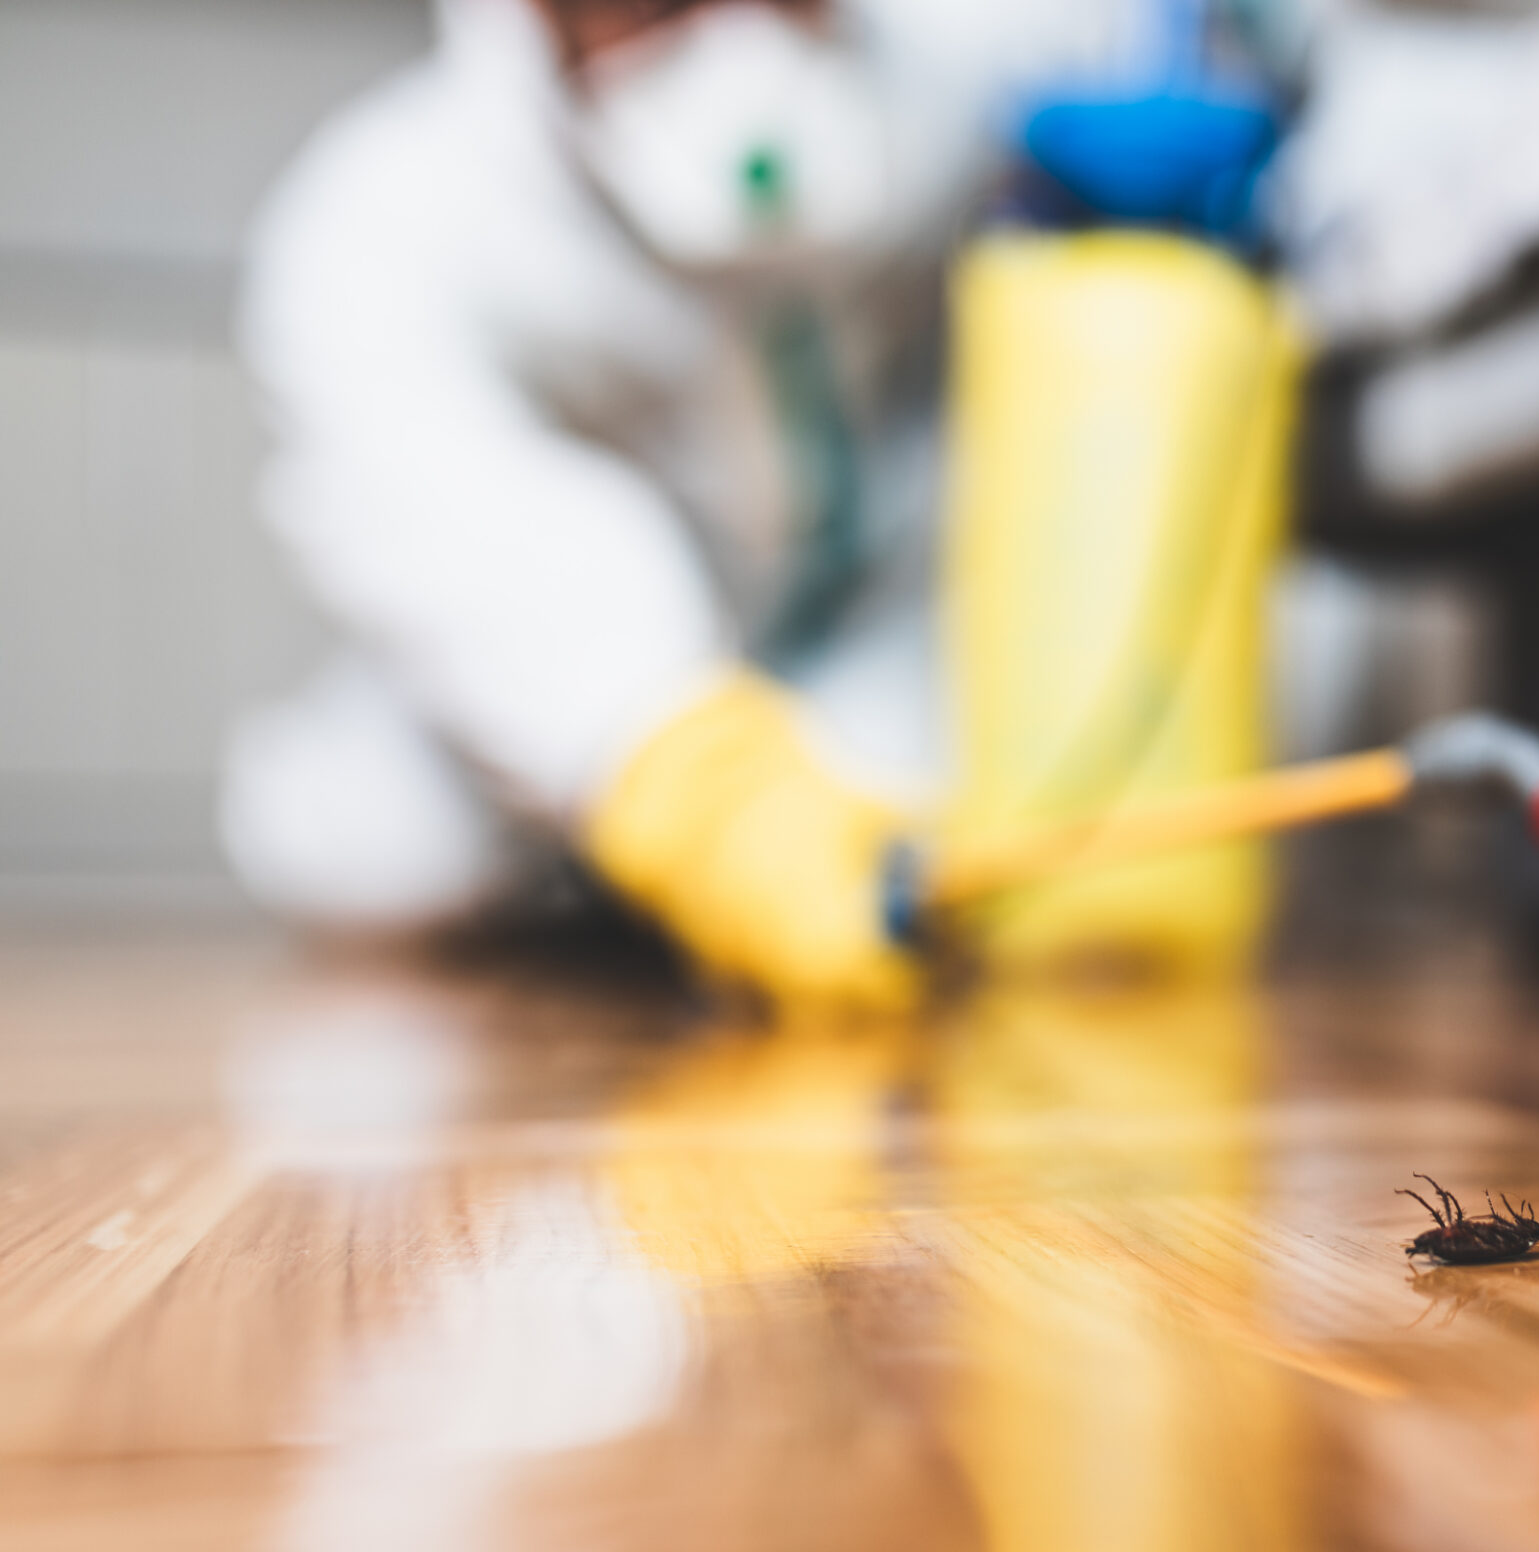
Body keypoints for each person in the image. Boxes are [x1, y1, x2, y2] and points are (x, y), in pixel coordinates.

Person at [223, 0, 1142, 1019]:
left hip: (876, 615)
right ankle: (624, 880)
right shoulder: (385, 215)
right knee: (375, 850)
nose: (734, 38)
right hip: (576, 673)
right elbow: (447, 518)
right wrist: (691, 779)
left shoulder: (972, 59)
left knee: (953, 822)